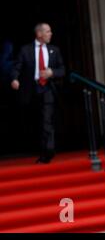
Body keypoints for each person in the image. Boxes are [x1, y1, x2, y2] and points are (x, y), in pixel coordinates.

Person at [10, 23, 65, 163]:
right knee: (37, 121)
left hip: (47, 88)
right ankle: (43, 150)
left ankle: (48, 150)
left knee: (47, 119)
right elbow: (17, 66)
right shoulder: (25, 50)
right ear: (39, 34)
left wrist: (52, 72)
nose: (51, 33)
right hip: (31, 90)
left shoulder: (54, 50)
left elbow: (62, 69)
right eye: (48, 31)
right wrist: (14, 79)